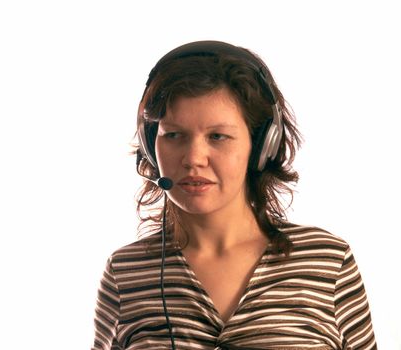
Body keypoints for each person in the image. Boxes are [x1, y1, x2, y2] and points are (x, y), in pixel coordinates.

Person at [92, 40, 377, 350]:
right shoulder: (125, 274)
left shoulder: (328, 262)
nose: (193, 158)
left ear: (259, 146)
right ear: (150, 145)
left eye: (218, 136)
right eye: (174, 135)